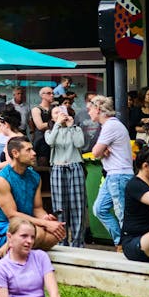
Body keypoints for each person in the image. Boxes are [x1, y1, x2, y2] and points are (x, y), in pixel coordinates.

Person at [0, 136, 66, 250]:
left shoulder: (35, 177)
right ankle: (2, 254)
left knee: (56, 234)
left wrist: (45, 218)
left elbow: (37, 208)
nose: (34, 153)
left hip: (29, 225)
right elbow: (12, 215)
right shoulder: (1, 180)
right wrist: (43, 224)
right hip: (5, 228)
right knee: (37, 233)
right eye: (28, 150)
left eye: (33, 149)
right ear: (15, 153)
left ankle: (21, 255)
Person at [89, 95, 134, 250]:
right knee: (99, 209)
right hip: (113, 175)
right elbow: (99, 152)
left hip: (119, 175)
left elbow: (95, 152)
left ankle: (129, 247)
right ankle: (120, 242)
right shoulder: (110, 126)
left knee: (122, 213)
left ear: (98, 108)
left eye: (90, 109)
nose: (89, 112)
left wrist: (101, 151)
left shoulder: (110, 126)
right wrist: (102, 151)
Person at [45, 106, 86, 247]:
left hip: (75, 166)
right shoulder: (50, 131)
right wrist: (57, 124)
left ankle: (78, 242)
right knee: (59, 206)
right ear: (52, 118)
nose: (60, 114)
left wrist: (71, 126)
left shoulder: (75, 129)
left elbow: (80, 143)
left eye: (62, 111)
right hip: (57, 167)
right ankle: (61, 241)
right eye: (56, 112)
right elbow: (50, 142)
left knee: (78, 206)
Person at [30, 86, 54, 166]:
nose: (52, 95)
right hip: (41, 140)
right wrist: (55, 123)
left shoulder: (54, 108)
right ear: (42, 95)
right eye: (49, 93)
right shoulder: (36, 109)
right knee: (42, 164)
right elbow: (40, 125)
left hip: (53, 139)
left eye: (53, 93)